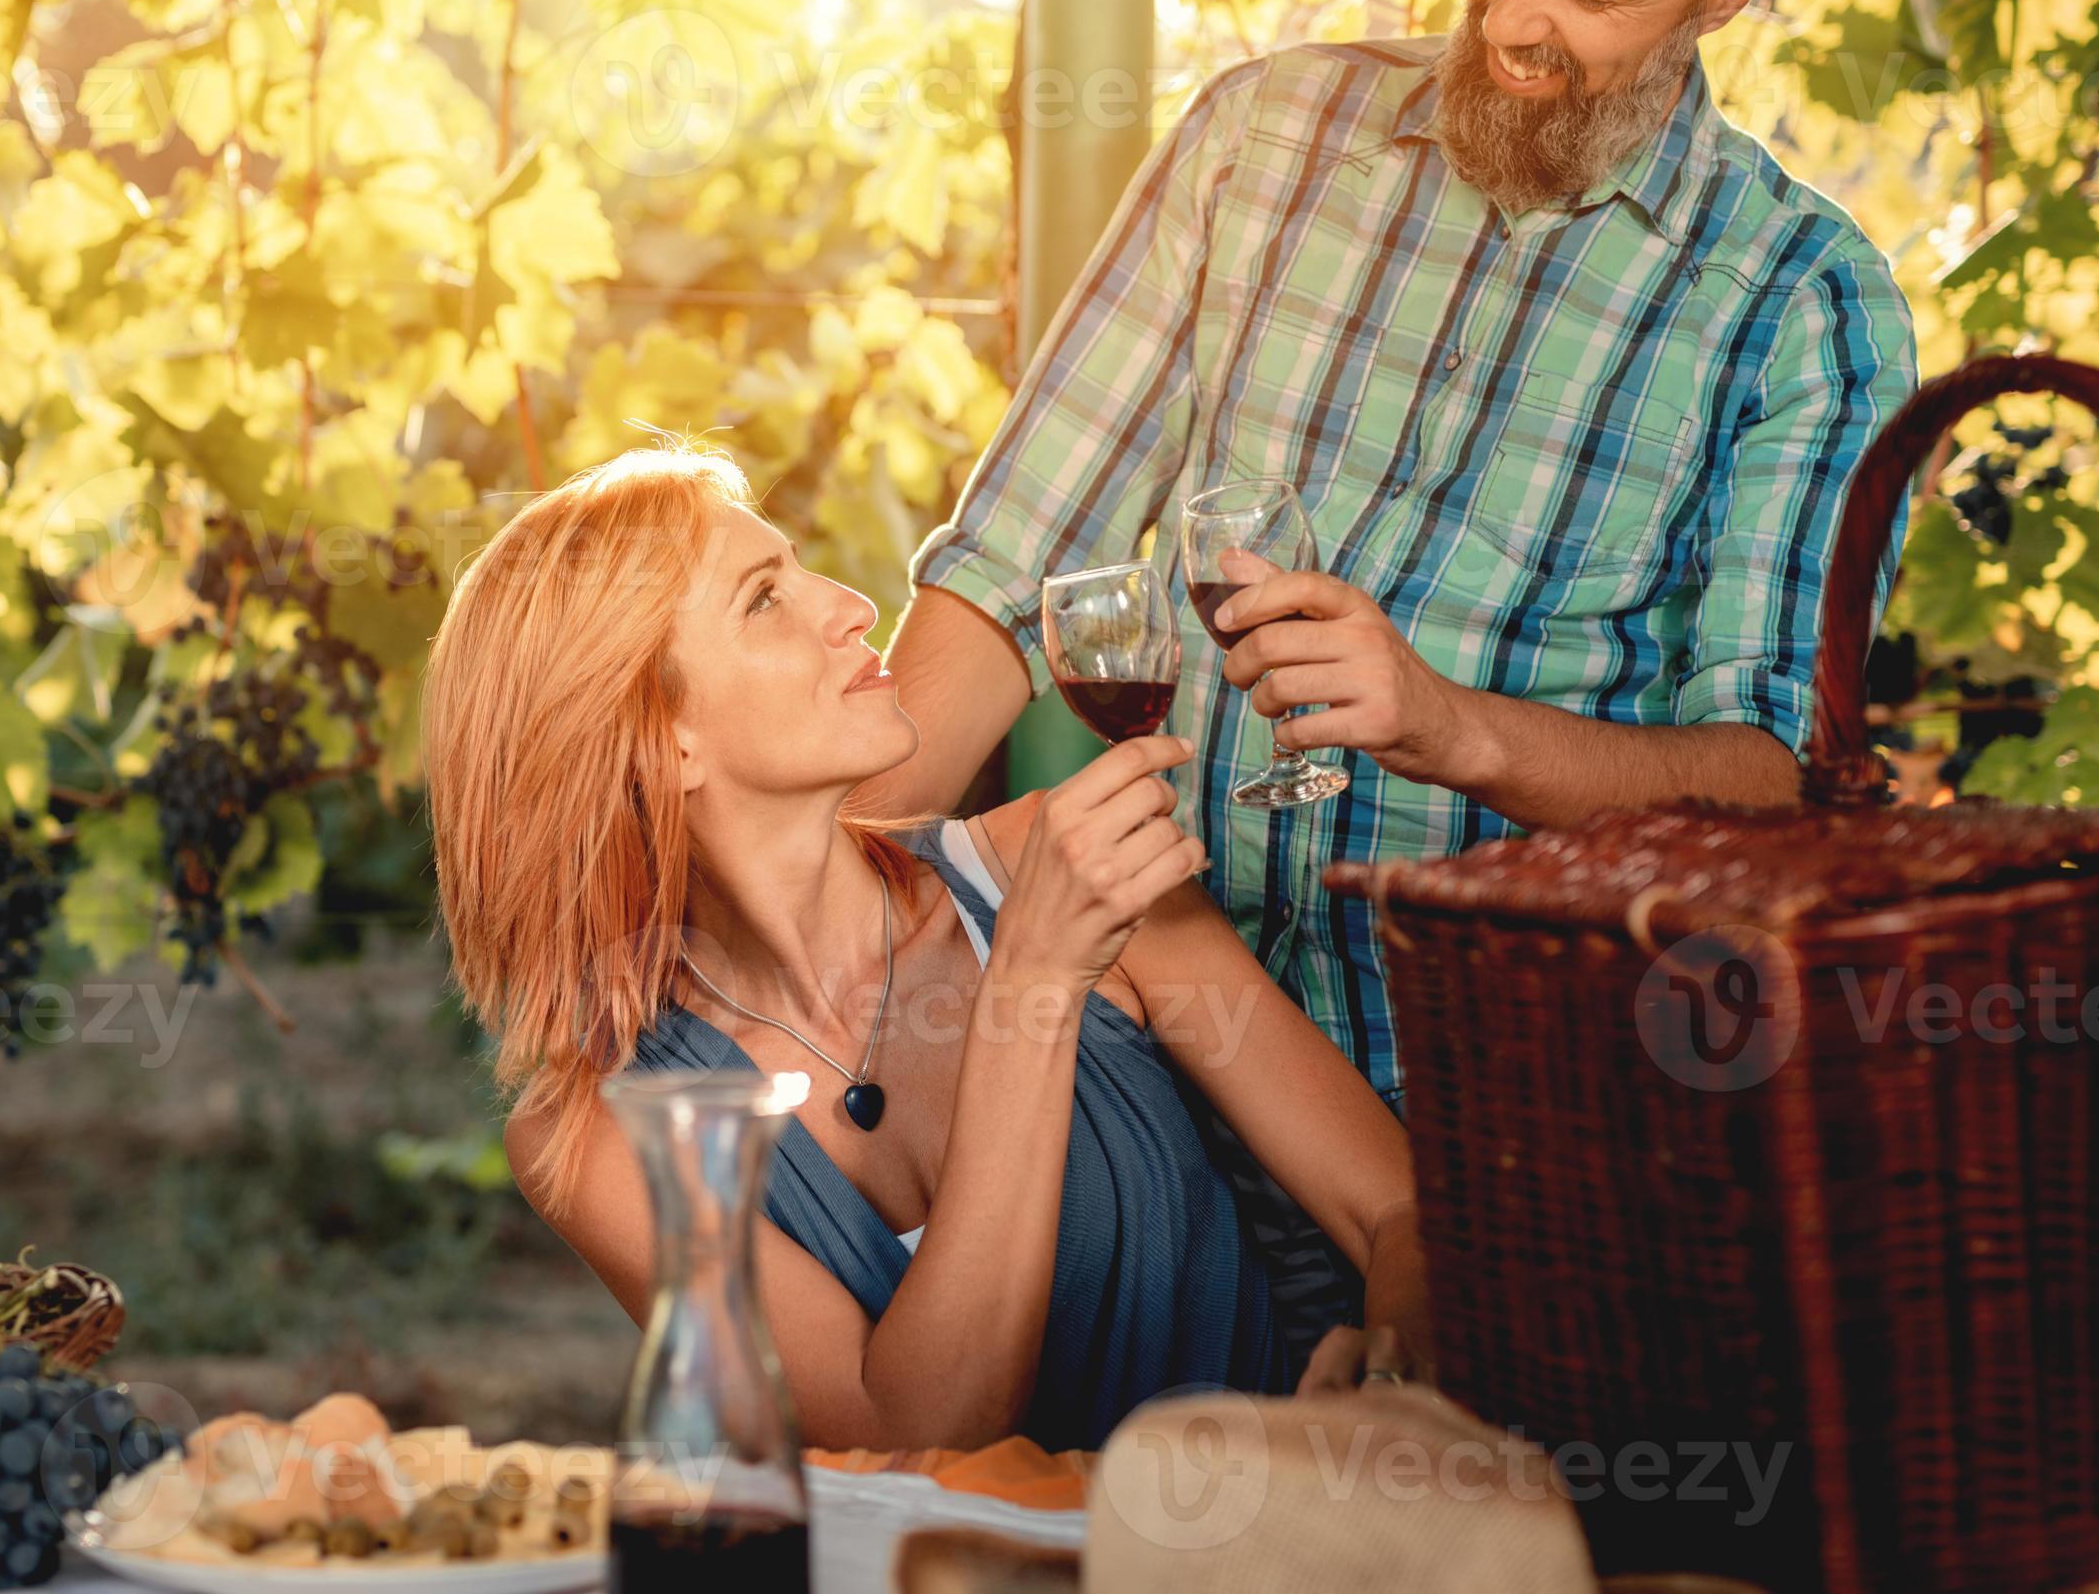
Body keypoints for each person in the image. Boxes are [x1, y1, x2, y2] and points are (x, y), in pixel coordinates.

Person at [862, 0, 1920, 1110]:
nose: (1513, 20)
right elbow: (1010, 562)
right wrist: (819, 893)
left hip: (1516, 1112)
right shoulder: (1263, 143)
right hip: (1146, 1045)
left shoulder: (1801, 307)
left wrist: (1450, 728)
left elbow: (1773, 786)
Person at [426, 450, 1428, 1453]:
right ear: (668, 739)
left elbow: (1394, 1206)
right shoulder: (599, 1138)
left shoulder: (1057, 860)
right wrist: (1029, 985)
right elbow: (914, 1438)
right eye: (765, 598)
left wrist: (1393, 1394)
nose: (854, 605)